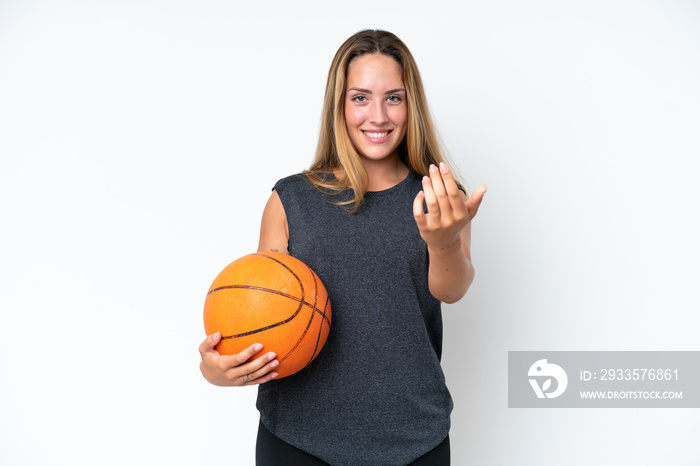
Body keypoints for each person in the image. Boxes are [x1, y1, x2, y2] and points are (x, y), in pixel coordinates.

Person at [199, 29, 487, 466]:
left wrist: (443, 240)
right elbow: (255, 310)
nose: (378, 115)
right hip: (297, 438)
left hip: (414, 437)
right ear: (339, 105)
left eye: (394, 97)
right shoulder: (289, 200)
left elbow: (451, 290)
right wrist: (216, 367)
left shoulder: (440, 197)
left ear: (412, 106)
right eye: (360, 98)